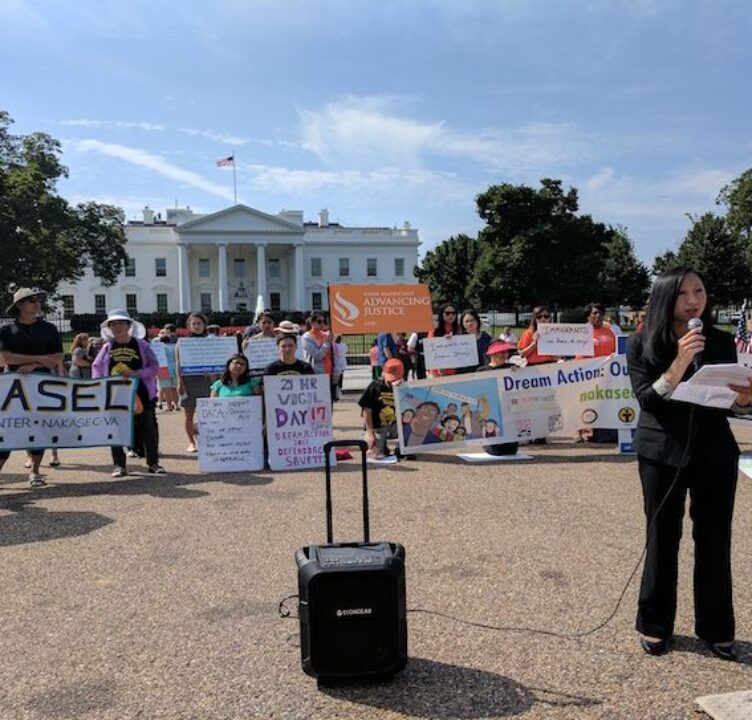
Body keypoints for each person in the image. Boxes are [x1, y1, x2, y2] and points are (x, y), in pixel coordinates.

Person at [626, 267, 752, 662]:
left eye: (700, 290)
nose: (694, 300)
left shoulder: (718, 340)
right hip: (662, 451)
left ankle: (716, 628)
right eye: (684, 293)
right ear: (666, 297)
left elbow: (728, 400)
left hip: (714, 452)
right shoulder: (642, 342)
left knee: (715, 540)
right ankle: (655, 624)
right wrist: (680, 360)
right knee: (663, 538)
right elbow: (648, 398)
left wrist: (744, 400)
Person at [0, 288, 63, 487]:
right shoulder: (7, 330)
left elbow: (57, 358)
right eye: (31, 301)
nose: (37, 304)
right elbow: (7, 357)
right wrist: (38, 358)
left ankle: (35, 472)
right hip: (13, 385)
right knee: (7, 430)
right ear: (19, 305)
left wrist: (34, 366)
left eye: (39, 301)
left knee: (39, 428)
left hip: (42, 384)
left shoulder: (49, 329)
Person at [92, 309, 166, 477]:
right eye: (113, 324)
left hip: (140, 391)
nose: (117, 327)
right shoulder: (107, 347)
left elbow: (154, 367)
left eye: (121, 323)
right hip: (115, 392)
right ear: (109, 327)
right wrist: (100, 384)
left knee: (148, 427)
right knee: (116, 428)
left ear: (129, 326)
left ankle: (153, 463)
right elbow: (96, 368)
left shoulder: (142, 345)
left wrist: (135, 373)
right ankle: (119, 465)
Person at [576, 303, 617, 443]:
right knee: (585, 403)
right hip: (585, 373)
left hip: (605, 374)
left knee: (601, 403)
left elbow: (615, 351)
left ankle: (599, 432)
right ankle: (581, 432)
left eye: (600, 313)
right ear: (588, 316)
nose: (597, 315)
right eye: (594, 313)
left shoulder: (609, 332)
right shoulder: (580, 332)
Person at [175, 312, 213, 453]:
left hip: (207, 380)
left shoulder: (211, 341)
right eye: (194, 323)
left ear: (204, 325)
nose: (196, 326)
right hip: (189, 381)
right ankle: (191, 442)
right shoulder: (182, 342)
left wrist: (213, 373)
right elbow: (178, 363)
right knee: (189, 414)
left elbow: (218, 361)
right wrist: (180, 382)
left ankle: (207, 439)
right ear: (189, 326)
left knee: (207, 413)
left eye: (199, 323)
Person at [475, 340, 520, 456]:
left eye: (505, 352)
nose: (504, 355)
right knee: (495, 446)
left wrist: (518, 372)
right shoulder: (482, 371)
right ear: (491, 354)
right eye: (500, 352)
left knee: (511, 449)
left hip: (509, 409)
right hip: (491, 410)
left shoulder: (512, 368)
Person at [358, 358, 404, 460]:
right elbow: (366, 410)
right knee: (372, 454)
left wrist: (403, 389)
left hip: (397, 426)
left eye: (396, 378)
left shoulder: (405, 388)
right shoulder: (375, 387)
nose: (392, 382)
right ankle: (380, 445)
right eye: (390, 379)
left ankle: (401, 449)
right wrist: (370, 433)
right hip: (378, 427)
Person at [428, 302, 461, 377]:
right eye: (447, 313)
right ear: (441, 314)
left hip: (456, 369)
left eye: (453, 313)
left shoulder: (459, 329)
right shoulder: (435, 330)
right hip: (438, 371)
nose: (451, 315)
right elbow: (431, 348)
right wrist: (443, 341)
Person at [457, 308, 493, 373]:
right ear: (462, 323)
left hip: (485, 372)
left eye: (472, 320)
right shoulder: (459, 339)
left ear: (477, 320)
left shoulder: (486, 337)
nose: (470, 323)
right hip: (465, 374)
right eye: (467, 321)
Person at [154, 330, 178, 411]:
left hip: (163, 368)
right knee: (174, 388)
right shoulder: (174, 346)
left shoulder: (160, 347)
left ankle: (169, 406)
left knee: (166, 388)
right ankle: (177, 404)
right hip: (174, 368)